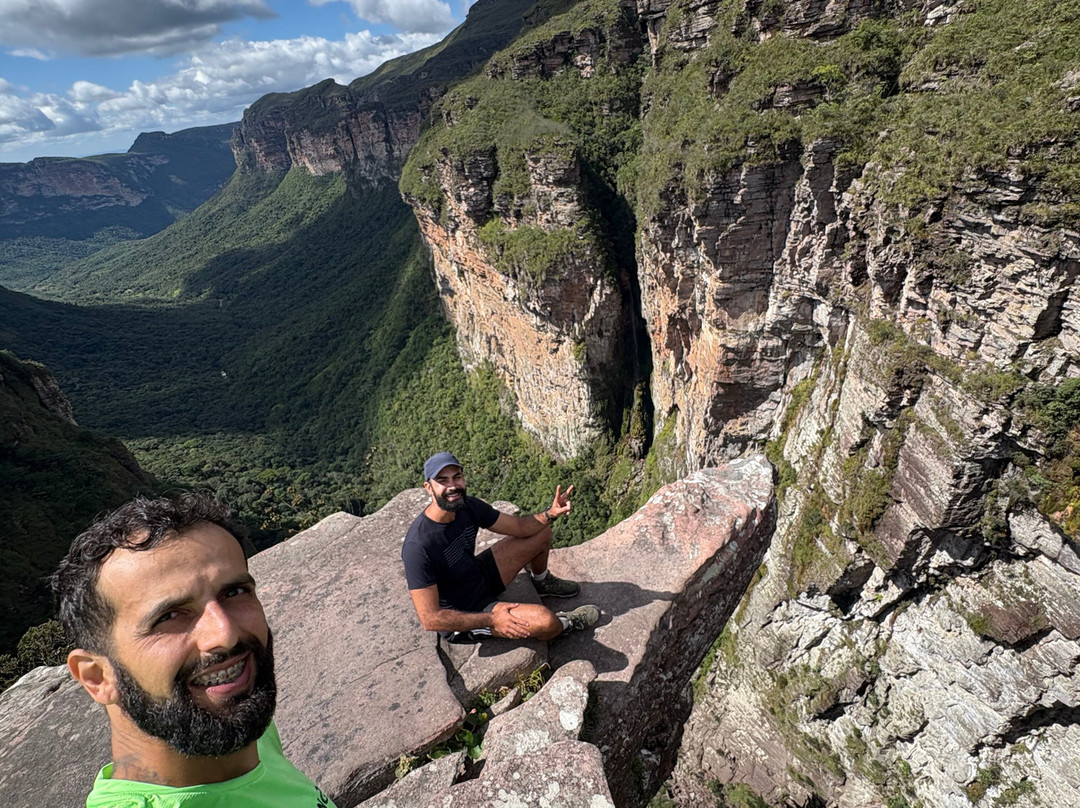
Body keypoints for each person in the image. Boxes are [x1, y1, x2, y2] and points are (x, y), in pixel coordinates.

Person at [52, 492, 335, 808]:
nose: (224, 633)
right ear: (97, 678)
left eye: (235, 591)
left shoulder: (235, 722)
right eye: (169, 616)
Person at [402, 451, 600, 642]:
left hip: (478, 576)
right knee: (546, 621)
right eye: (443, 481)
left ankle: (541, 582)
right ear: (428, 487)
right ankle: (565, 624)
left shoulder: (468, 506)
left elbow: (520, 527)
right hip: (467, 611)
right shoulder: (418, 546)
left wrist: (550, 514)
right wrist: (492, 619)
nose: (453, 486)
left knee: (542, 532)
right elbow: (430, 619)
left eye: (457, 477)